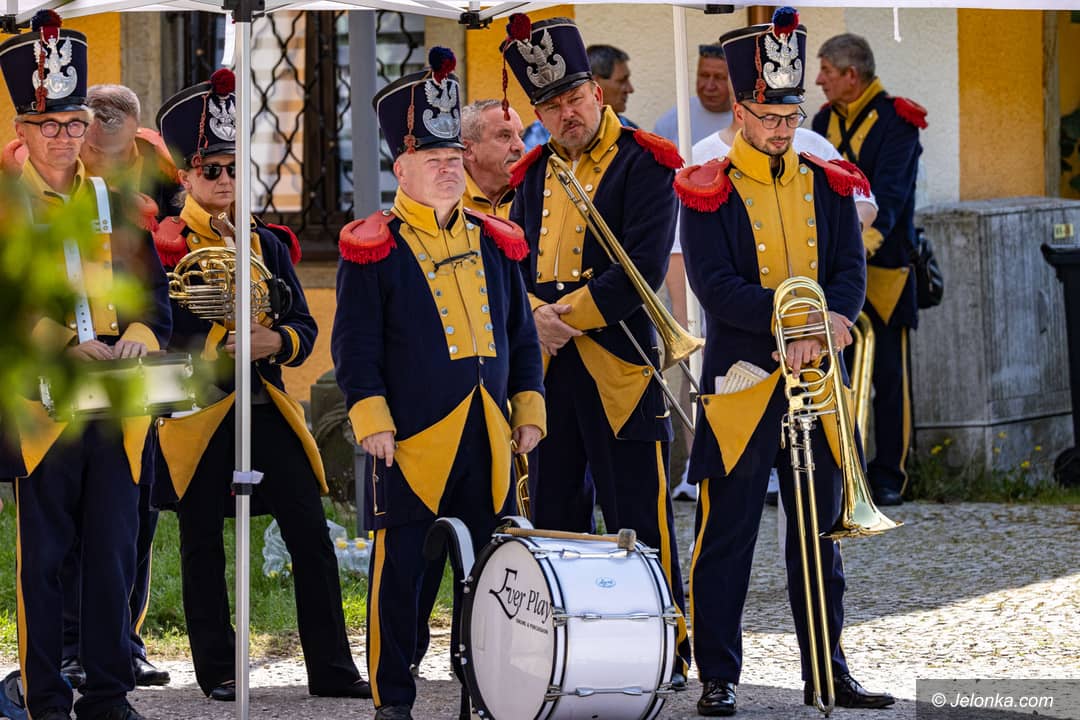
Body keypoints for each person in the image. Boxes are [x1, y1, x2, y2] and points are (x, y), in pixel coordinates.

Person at [676, 9, 895, 716]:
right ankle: (718, 676)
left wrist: (830, 322)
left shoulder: (829, 181)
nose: (781, 129)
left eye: (790, 116)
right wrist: (795, 321)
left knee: (820, 539)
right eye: (768, 117)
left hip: (816, 379)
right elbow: (715, 287)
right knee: (726, 538)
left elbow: (849, 270)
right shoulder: (704, 186)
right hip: (743, 384)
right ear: (740, 113)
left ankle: (829, 671)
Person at [332, 47, 545, 720]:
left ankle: (489, 692)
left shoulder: (496, 240)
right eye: (433, 159)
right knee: (404, 577)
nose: (448, 168)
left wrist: (528, 407)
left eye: (454, 157)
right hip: (412, 441)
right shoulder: (373, 246)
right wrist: (372, 418)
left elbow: (521, 337)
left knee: (493, 579)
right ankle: (393, 698)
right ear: (402, 168)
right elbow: (354, 347)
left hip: (489, 436)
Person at [152, 68, 370, 703]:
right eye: (210, 170)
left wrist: (276, 341)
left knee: (310, 529)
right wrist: (216, 338)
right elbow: (159, 330)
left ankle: (332, 668)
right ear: (186, 178)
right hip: (199, 409)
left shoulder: (267, 244)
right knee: (201, 541)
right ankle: (218, 669)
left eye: (232, 168)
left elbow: (302, 323)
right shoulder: (165, 245)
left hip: (264, 402)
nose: (225, 180)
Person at [501, 13, 691, 683]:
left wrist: (563, 319)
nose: (566, 114)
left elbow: (639, 269)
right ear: (538, 114)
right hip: (550, 370)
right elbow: (514, 263)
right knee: (555, 516)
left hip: (620, 364)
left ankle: (668, 645)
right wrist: (536, 318)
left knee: (639, 512)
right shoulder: (532, 173)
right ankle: (571, 646)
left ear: (597, 94)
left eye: (574, 98)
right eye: (551, 106)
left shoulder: (647, 161)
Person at [0, 11, 172, 720]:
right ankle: (45, 696)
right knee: (42, 562)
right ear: (23, 129)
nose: (65, 137)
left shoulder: (115, 204)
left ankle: (108, 694)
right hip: (43, 408)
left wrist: (138, 333)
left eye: (75, 123)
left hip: (116, 405)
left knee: (113, 553)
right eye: (49, 125)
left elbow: (155, 297)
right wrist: (58, 341)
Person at [813, 33, 925, 507]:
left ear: (851, 75)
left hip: (884, 272)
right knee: (835, 376)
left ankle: (890, 475)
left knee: (889, 379)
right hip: (836, 272)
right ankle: (841, 468)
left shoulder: (898, 121)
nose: (818, 81)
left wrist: (849, 254)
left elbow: (892, 197)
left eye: (826, 71)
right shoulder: (822, 120)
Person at [654, 43, 733, 144]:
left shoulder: (746, 121)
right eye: (704, 75)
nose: (709, 86)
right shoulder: (672, 122)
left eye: (719, 77)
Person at [461, 98, 526, 217]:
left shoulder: (535, 196)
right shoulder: (442, 201)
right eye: (505, 136)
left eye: (521, 136)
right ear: (468, 150)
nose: (520, 146)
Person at [587, 44, 637, 127]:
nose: (630, 89)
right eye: (621, 81)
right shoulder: (571, 130)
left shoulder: (630, 130)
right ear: (595, 84)